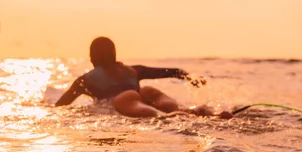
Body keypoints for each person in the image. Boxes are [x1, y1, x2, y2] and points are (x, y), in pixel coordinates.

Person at [55, 37, 210, 118]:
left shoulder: (84, 81)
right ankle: (202, 111)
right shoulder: (134, 71)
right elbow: (174, 71)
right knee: (177, 108)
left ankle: (174, 115)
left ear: (92, 58)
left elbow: (60, 107)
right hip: (146, 94)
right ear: (114, 55)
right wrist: (191, 79)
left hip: (125, 101)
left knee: (157, 115)